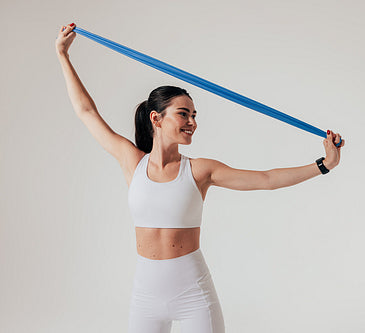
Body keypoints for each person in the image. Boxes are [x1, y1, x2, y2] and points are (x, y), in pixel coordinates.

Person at [55, 22, 345, 333]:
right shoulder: (132, 162)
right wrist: (63, 55)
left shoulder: (199, 170)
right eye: (184, 113)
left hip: (193, 294)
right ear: (156, 118)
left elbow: (265, 178)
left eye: (195, 116)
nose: (192, 122)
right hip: (145, 297)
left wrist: (324, 164)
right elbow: (86, 111)